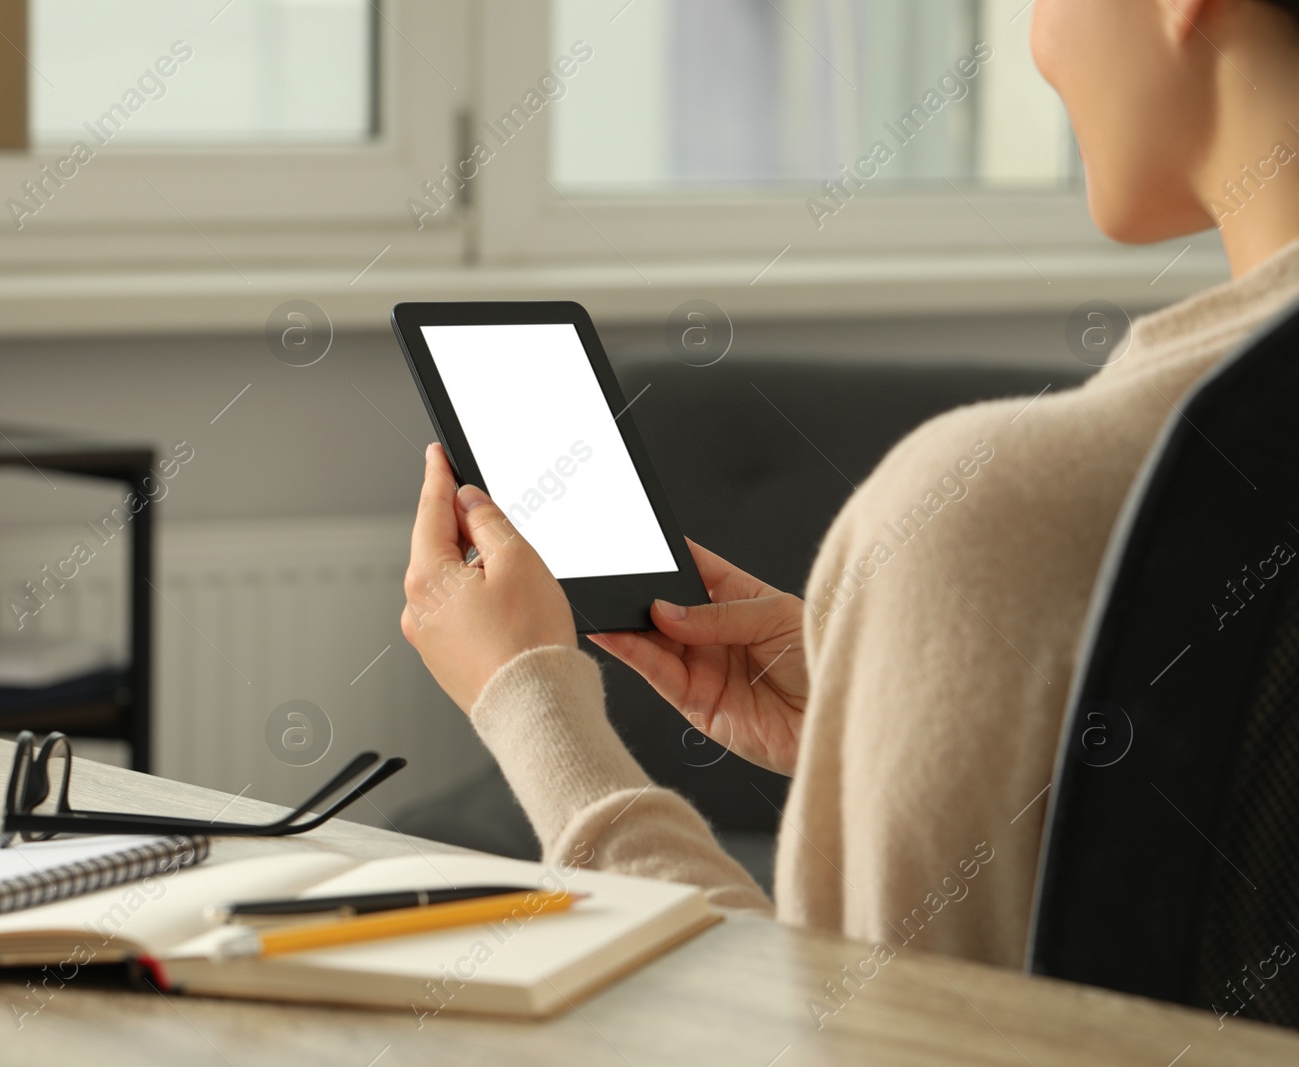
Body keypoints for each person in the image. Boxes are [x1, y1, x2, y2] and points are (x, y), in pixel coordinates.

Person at [401, 0, 1299, 968]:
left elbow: (825, 1035)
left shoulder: (997, 506)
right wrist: (889, 695)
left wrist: (529, 703)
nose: (1037, 46)